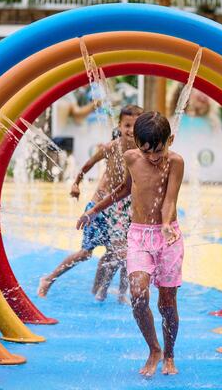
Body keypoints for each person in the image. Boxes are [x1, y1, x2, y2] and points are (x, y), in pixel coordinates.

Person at [77, 112, 184, 376]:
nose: (153, 157)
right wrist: (93, 211)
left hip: (167, 236)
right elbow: (125, 189)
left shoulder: (176, 162)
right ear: (136, 143)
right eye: (147, 151)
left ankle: (169, 354)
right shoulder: (131, 158)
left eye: (159, 150)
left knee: (167, 303)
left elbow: (169, 200)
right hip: (138, 235)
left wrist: (167, 224)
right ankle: (154, 349)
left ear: (169, 140)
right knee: (138, 296)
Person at [38, 105, 144, 303]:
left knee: (124, 252)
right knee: (86, 253)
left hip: (122, 207)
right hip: (100, 206)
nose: (130, 130)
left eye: (135, 126)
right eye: (127, 125)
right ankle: (48, 279)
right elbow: (87, 165)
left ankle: (118, 294)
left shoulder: (141, 150)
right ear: (119, 126)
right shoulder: (111, 147)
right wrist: (76, 184)